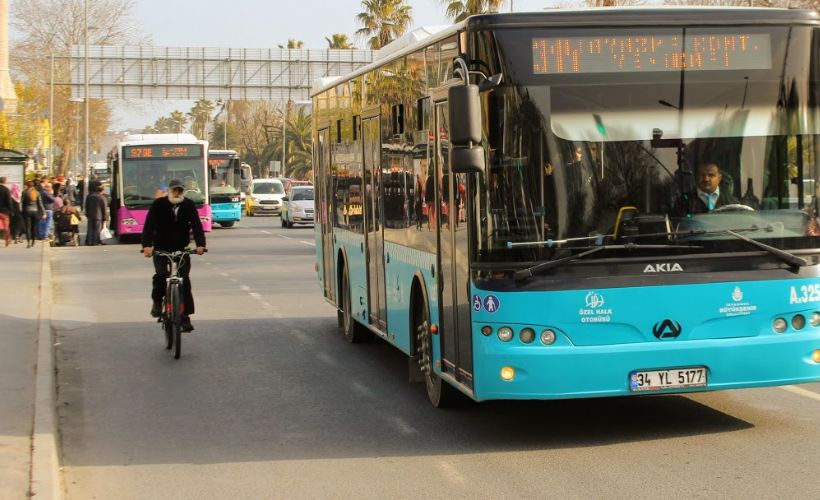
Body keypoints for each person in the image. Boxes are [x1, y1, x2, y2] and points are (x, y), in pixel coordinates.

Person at [141, 178, 206, 333]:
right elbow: (149, 225)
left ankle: (185, 318)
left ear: (183, 191)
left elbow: (196, 225)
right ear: (169, 191)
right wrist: (147, 246)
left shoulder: (188, 205)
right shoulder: (158, 204)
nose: (177, 193)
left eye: (180, 190)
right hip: (161, 249)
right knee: (161, 275)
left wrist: (200, 245)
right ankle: (157, 302)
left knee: (185, 280)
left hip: (181, 249)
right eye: (174, 190)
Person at [21, 180, 45, 248]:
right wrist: (43, 212)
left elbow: (22, 203)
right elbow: (40, 203)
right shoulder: (37, 192)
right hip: (35, 211)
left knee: (28, 227)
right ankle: (33, 241)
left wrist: (22, 211)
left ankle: (28, 242)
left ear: (27, 185)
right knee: (33, 227)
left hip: (27, 211)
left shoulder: (24, 192)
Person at [0, 177, 13, 247]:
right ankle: (7, 239)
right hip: (4, 211)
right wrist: (11, 210)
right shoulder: (6, 190)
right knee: (6, 226)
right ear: (5, 182)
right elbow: (9, 201)